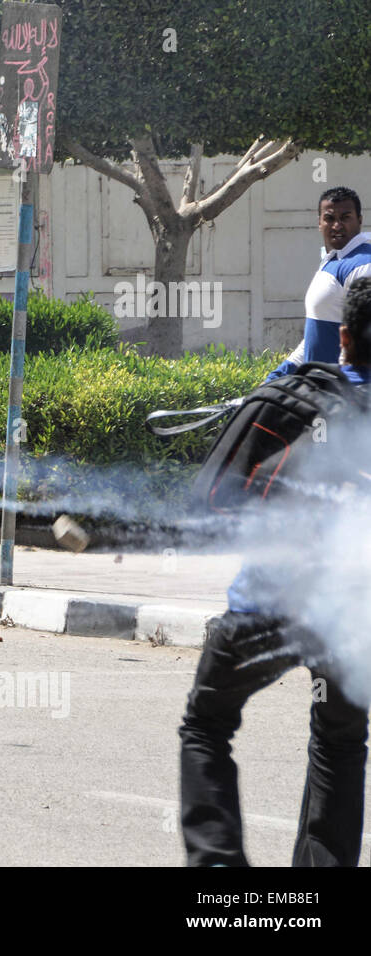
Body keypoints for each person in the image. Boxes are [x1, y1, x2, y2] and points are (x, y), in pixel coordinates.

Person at [178, 276, 371, 866]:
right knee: (339, 742)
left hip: (265, 605)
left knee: (207, 726)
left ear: (342, 337)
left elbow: (205, 505)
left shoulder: (285, 401)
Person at [267, 186, 371, 381]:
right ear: (319, 223)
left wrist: (352, 390)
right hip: (322, 394)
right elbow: (317, 337)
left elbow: (364, 341)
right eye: (330, 218)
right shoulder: (333, 261)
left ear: (360, 220)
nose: (337, 225)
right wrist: (282, 373)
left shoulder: (364, 265)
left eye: (345, 217)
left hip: (346, 401)